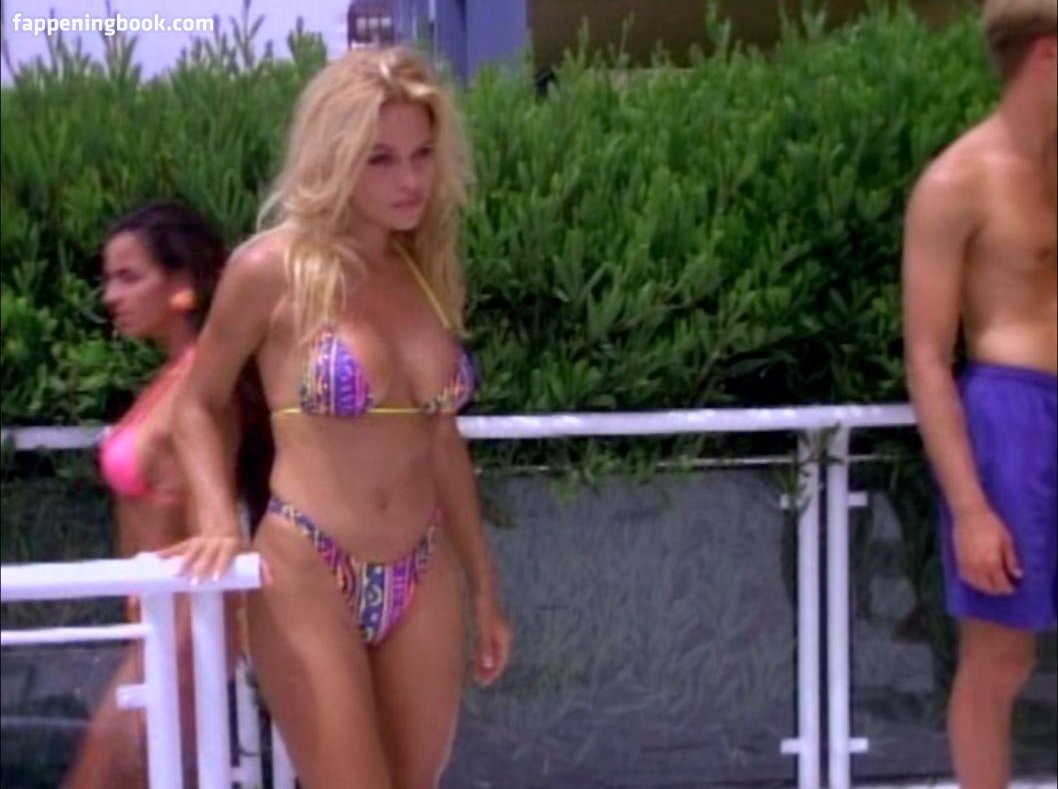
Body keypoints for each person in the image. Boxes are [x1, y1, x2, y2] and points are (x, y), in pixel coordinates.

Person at [167, 46, 513, 788]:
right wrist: (218, 518)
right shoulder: (271, 268)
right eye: (380, 159)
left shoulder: (426, 270)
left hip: (423, 568)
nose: (410, 179)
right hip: (308, 565)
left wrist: (484, 583)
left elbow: (441, 437)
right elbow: (195, 403)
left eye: (422, 154)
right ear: (334, 157)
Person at [901, 2, 1056, 787]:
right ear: (1048, 56)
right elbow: (928, 356)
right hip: (1011, 418)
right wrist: (969, 507)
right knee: (1000, 654)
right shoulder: (956, 182)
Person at [64, 200, 260, 788]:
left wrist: (183, 663)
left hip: (179, 643)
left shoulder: (202, 392)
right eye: (110, 279)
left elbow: (210, 534)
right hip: (154, 638)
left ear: (183, 285)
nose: (111, 296)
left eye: (130, 277)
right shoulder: (178, 379)